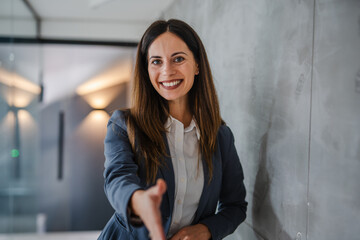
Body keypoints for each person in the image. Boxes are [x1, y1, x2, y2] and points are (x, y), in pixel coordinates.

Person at [98, 19, 247, 240]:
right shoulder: (124, 125)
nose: (167, 71)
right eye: (156, 62)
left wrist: (205, 230)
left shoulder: (220, 137)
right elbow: (117, 178)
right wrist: (137, 200)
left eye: (178, 59)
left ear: (197, 64)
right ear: (147, 70)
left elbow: (235, 206)